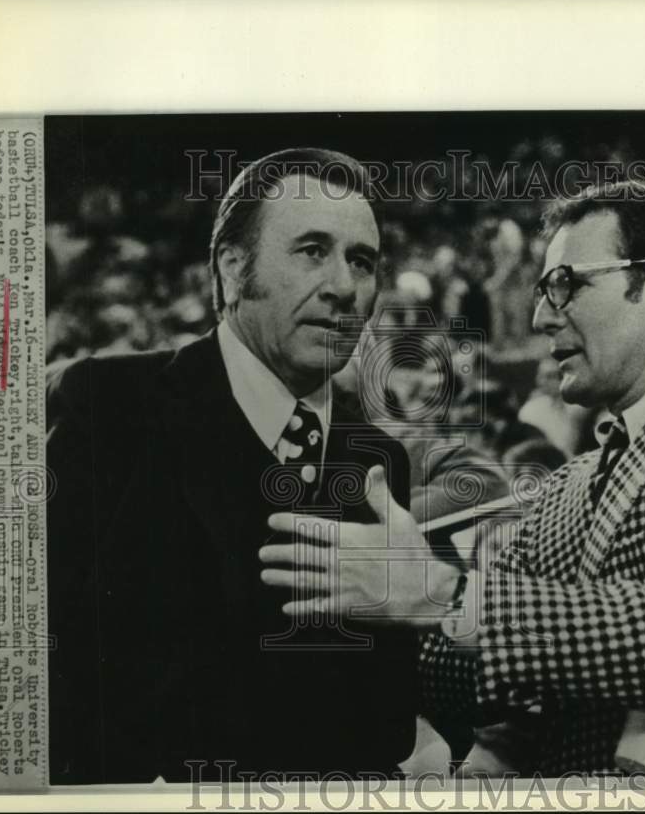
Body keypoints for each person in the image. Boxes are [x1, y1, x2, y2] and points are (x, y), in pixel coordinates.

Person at [260, 181, 645, 775]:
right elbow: (474, 689)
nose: (542, 316)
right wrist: (357, 593)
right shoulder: (568, 484)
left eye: (566, 284)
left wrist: (443, 594)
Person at [46, 148, 419, 783]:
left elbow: (385, 728)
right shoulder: (107, 405)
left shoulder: (380, 461)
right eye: (311, 250)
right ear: (231, 269)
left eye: (362, 260)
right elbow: (40, 668)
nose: (343, 285)